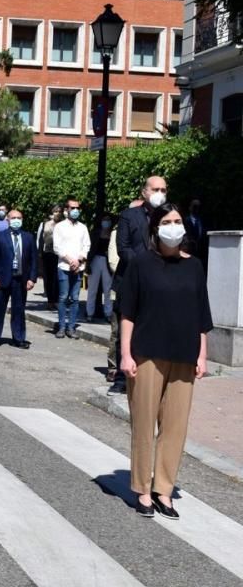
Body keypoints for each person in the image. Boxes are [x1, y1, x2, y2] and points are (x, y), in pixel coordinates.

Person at [119, 203, 212, 520]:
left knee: (175, 428)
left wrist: (202, 354)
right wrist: (125, 353)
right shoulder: (141, 264)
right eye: (168, 221)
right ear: (156, 228)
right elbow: (128, 312)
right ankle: (143, 489)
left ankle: (164, 489)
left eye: (178, 221)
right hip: (147, 353)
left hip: (184, 355)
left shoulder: (195, 266)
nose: (174, 226)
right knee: (144, 424)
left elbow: (202, 315)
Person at [111, 176, 168, 395]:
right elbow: (123, 248)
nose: (159, 193)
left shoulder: (169, 217)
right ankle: (121, 379)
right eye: (155, 189)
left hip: (160, 284)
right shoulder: (129, 216)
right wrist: (145, 268)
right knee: (124, 330)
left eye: (163, 189)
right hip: (131, 281)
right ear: (144, 192)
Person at [0, 210, 38, 349]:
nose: (16, 220)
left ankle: (19, 338)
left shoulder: (28, 237)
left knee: (19, 310)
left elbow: (34, 260)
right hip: (2, 279)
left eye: (19, 218)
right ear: (8, 220)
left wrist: (32, 278)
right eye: (13, 218)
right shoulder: (0, 237)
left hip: (20, 279)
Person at [52, 197, 90, 339]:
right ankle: (61, 326)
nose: (75, 211)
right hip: (64, 266)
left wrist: (79, 259)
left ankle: (71, 327)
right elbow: (57, 247)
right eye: (72, 208)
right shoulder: (60, 226)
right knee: (63, 297)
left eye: (77, 208)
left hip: (78, 267)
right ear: (66, 210)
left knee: (75, 298)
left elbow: (86, 245)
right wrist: (69, 260)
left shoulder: (83, 227)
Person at [85, 212, 117, 321]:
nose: (106, 222)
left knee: (108, 289)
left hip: (108, 262)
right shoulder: (95, 232)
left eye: (108, 220)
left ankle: (108, 313)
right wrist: (87, 264)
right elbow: (90, 249)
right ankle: (89, 313)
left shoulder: (113, 233)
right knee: (92, 288)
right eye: (104, 219)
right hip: (95, 260)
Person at [36, 205, 63, 311]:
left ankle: (57, 300)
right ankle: (50, 300)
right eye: (55, 211)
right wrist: (39, 253)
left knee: (58, 278)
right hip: (47, 253)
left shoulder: (63, 224)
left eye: (59, 211)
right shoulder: (44, 224)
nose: (57, 213)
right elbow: (39, 239)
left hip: (60, 254)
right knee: (48, 278)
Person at [184, 199, 207, 264]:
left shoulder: (203, 220)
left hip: (201, 251)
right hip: (189, 250)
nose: (196, 209)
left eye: (198, 207)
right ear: (190, 208)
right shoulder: (185, 221)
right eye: (194, 206)